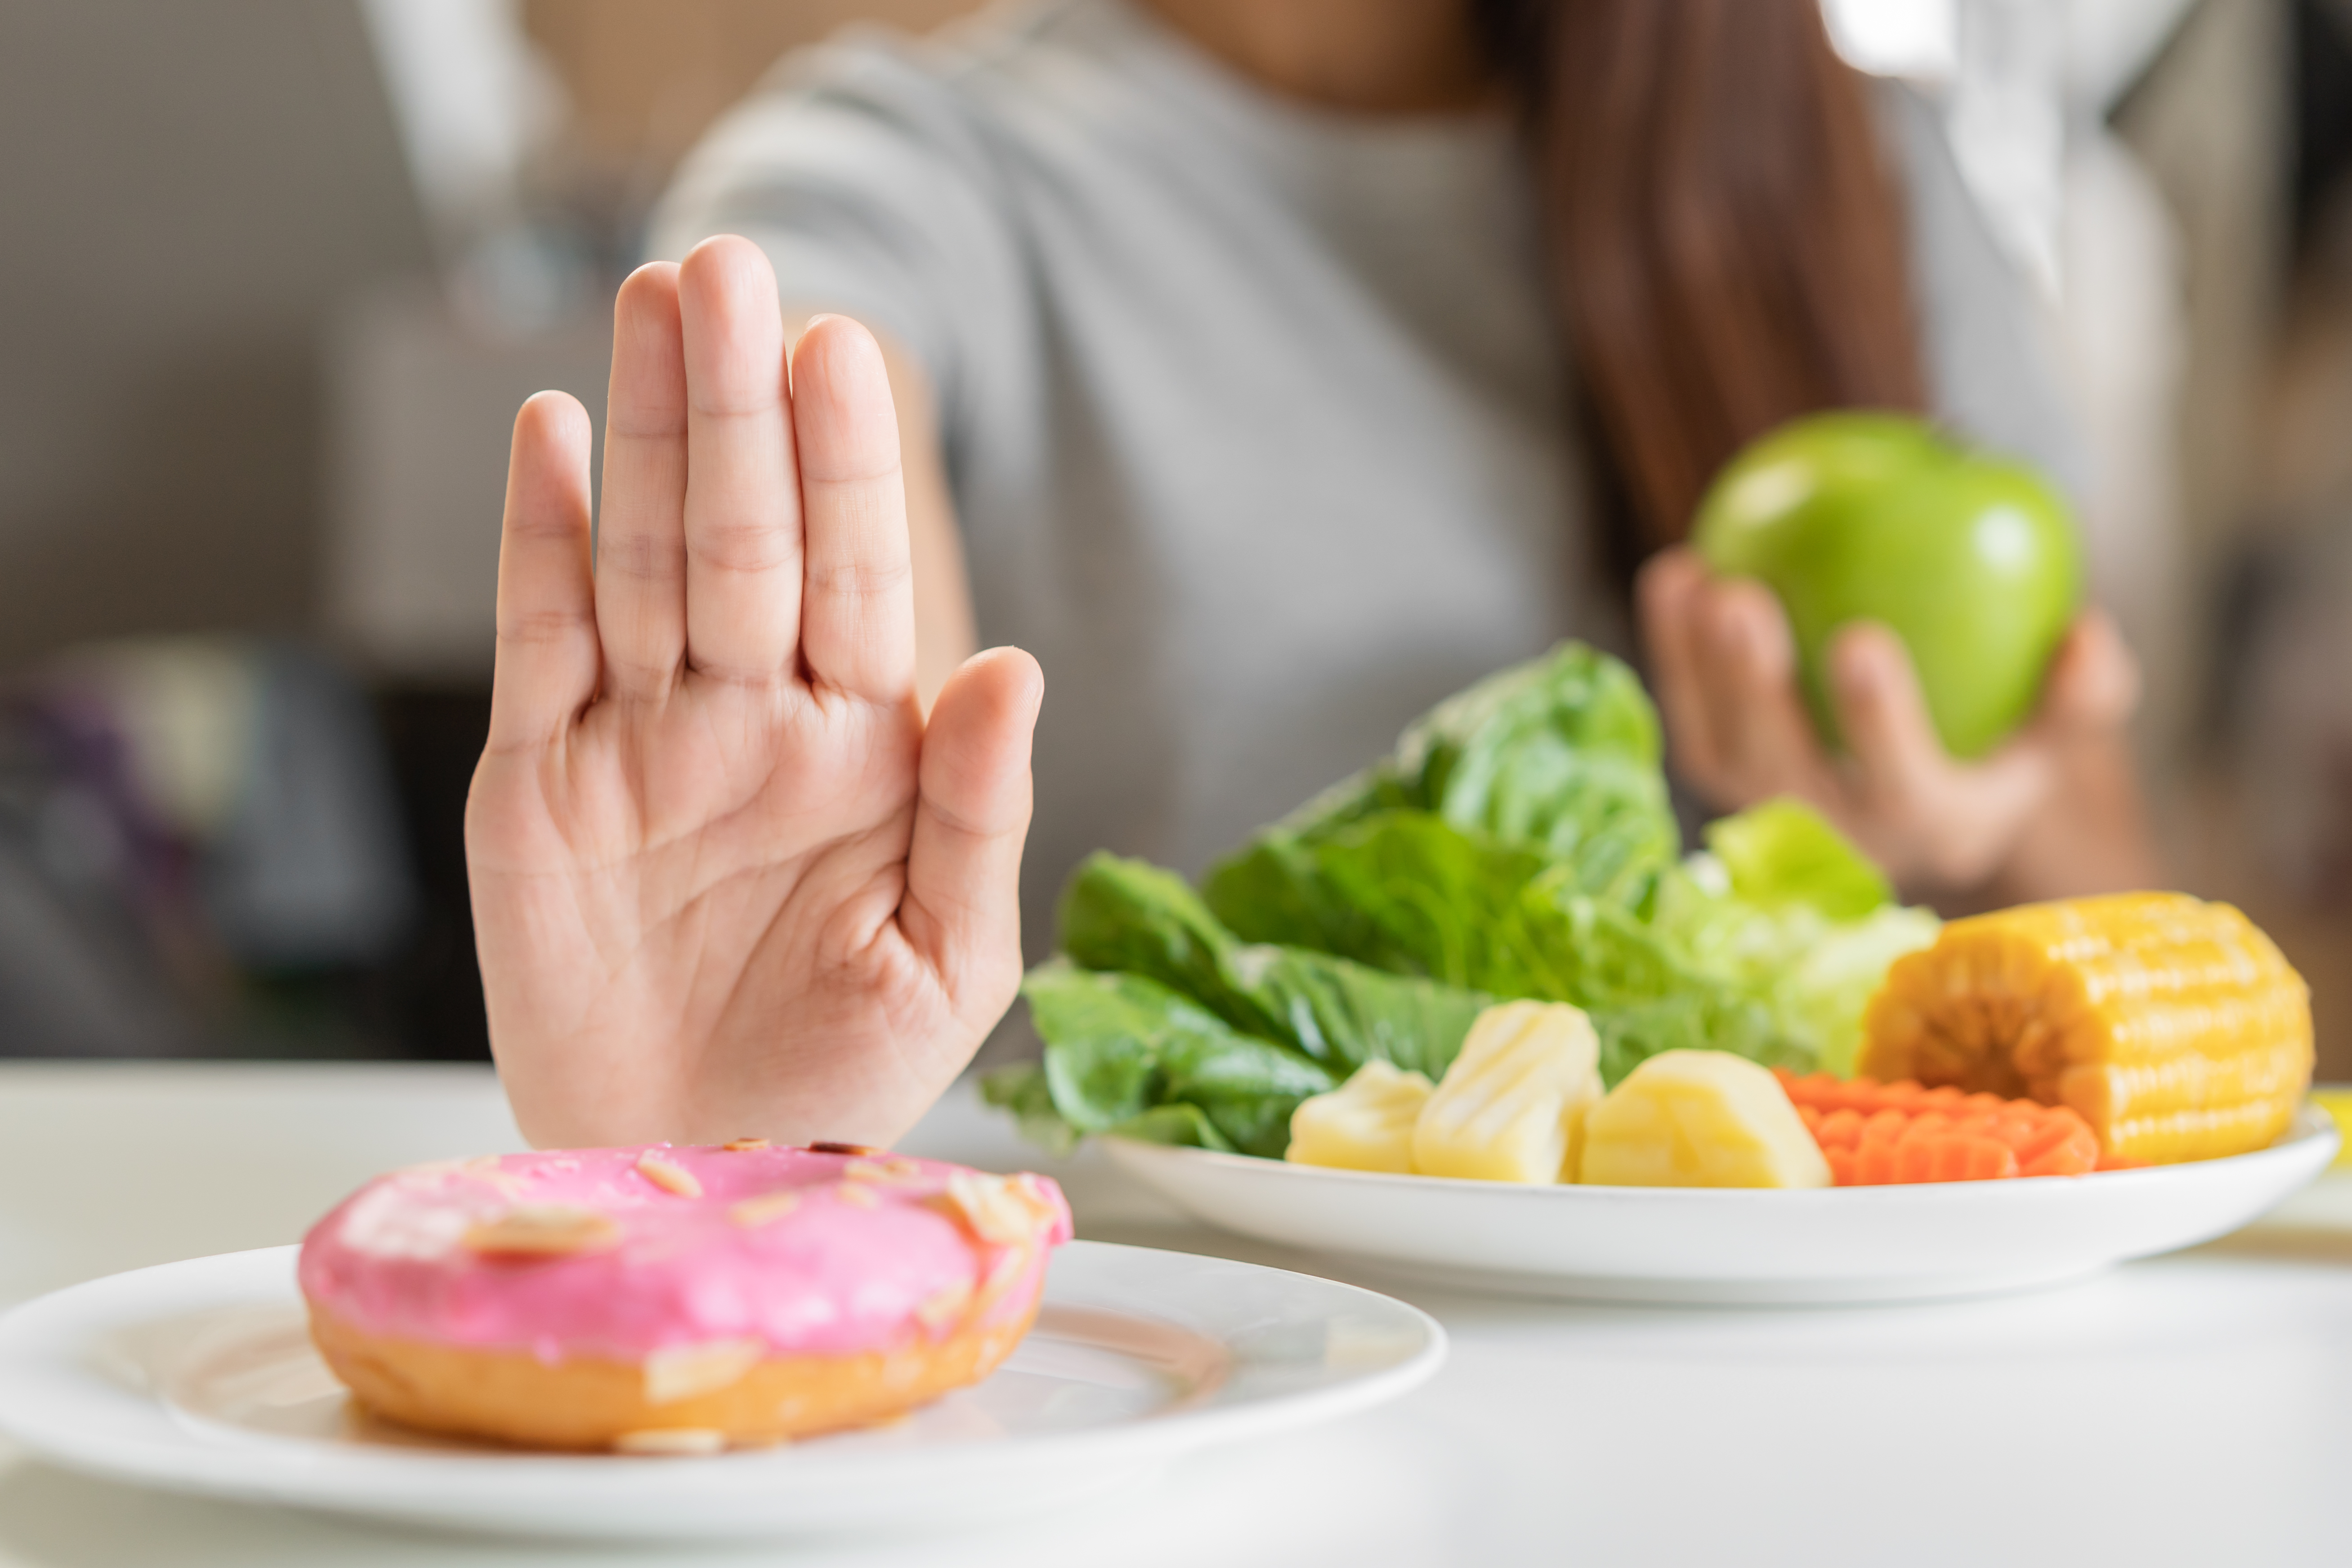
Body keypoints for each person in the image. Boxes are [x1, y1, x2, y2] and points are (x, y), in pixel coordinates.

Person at [470, 0, 2159, 1148]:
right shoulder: (912, 170)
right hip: (1186, 1393)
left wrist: (1988, 827)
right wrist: (737, 1126)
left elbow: (2114, 913)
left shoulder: (1868, 182)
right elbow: (794, 371)